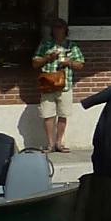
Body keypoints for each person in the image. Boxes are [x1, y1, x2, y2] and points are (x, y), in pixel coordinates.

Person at [32, 18, 83, 154]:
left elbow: (80, 64)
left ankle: (59, 143)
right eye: (55, 27)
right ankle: (50, 144)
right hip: (48, 85)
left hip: (65, 86)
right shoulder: (45, 44)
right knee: (48, 115)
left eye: (60, 27)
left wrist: (69, 62)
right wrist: (48, 58)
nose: (57, 30)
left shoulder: (72, 45)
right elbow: (35, 63)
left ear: (65, 30)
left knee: (63, 114)